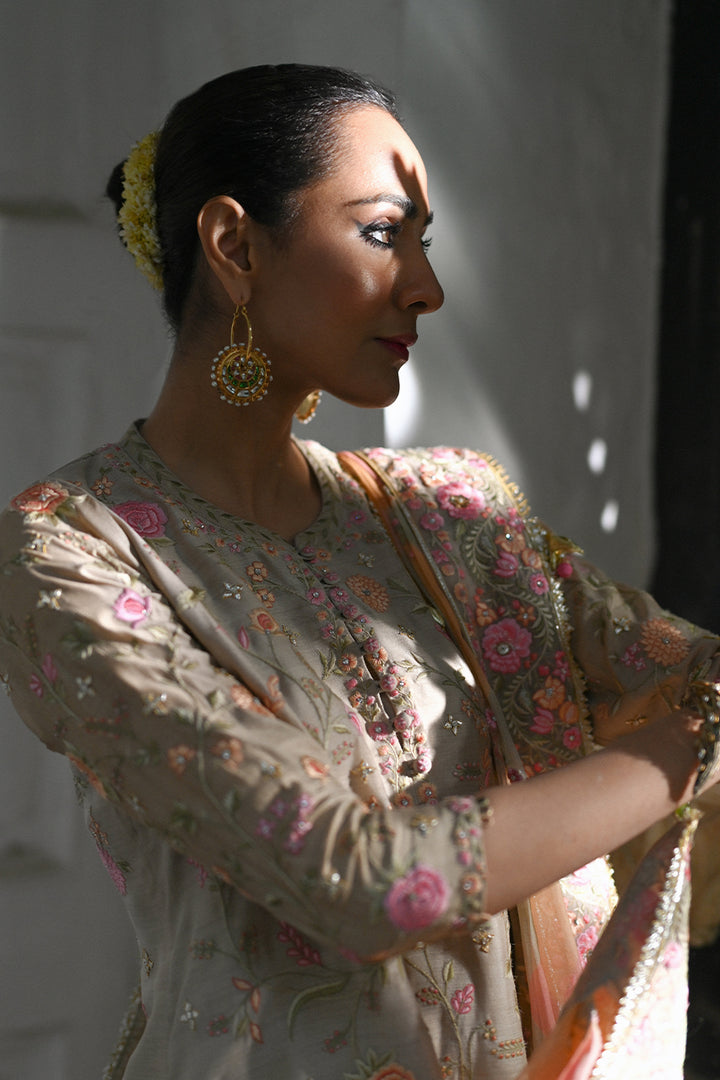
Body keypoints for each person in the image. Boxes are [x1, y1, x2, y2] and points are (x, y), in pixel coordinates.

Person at [0, 63, 718, 1080]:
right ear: (235, 246)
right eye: (384, 232)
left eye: (424, 240)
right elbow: (358, 880)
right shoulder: (72, 549)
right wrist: (699, 743)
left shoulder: (452, 515)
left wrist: (701, 714)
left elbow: (686, 670)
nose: (426, 286)